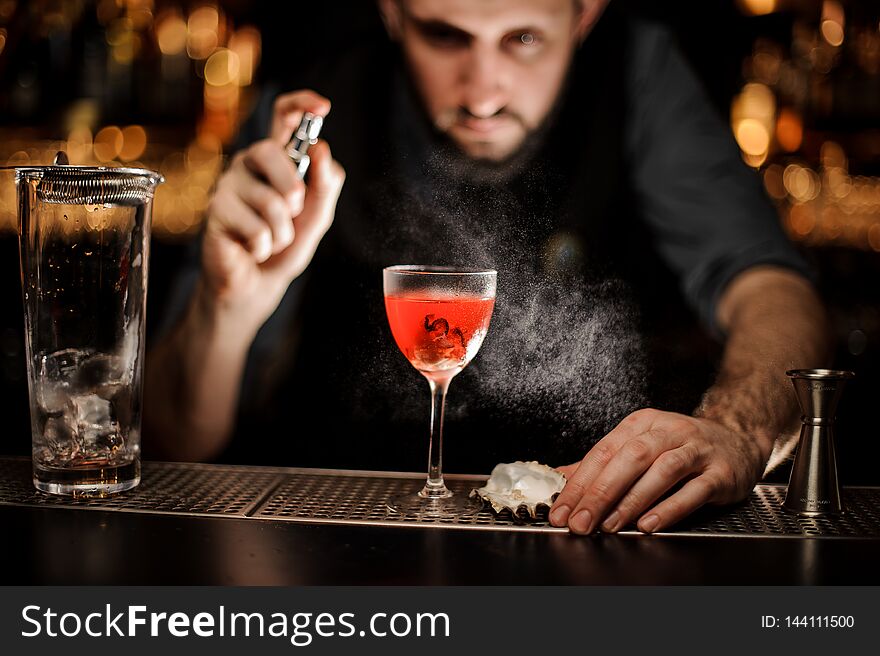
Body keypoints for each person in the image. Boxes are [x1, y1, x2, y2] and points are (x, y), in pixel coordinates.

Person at [144, 0, 829, 536]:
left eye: (524, 40)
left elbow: (775, 291)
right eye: (444, 36)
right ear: (391, 11)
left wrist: (739, 431)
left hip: (595, 549)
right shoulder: (311, 103)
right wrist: (226, 301)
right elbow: (173, 441)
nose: (482, 94)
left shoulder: (639, 72)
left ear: (585, 12)